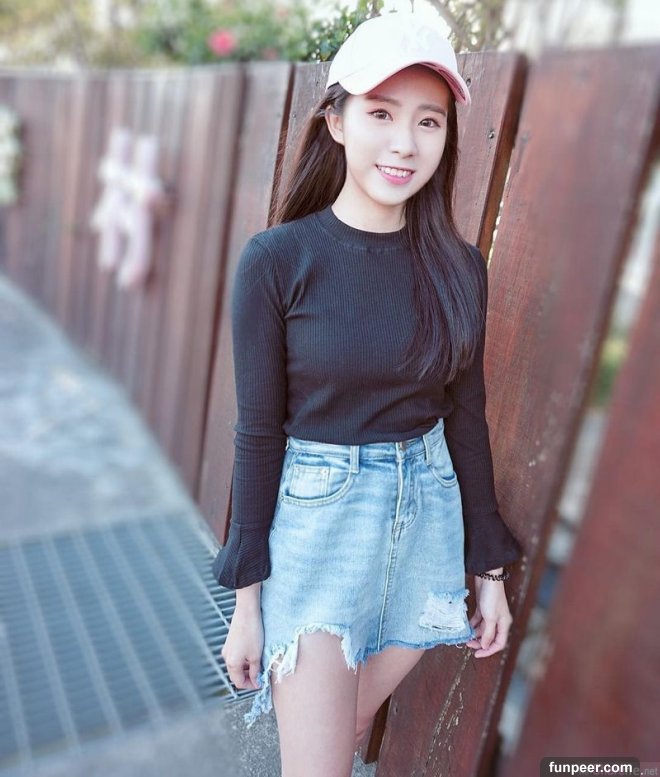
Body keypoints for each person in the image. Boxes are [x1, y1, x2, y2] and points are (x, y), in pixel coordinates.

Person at [212, 10, 523, 776]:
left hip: (427, 522)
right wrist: (247, 604)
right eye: (381, 114)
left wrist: (488, 572)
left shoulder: (458, 268)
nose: (405, 143)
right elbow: (258, 433)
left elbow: (466, 419)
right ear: (337, 120)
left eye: (428, 120)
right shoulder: (277, 261)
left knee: (347, 725)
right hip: (320, 526)